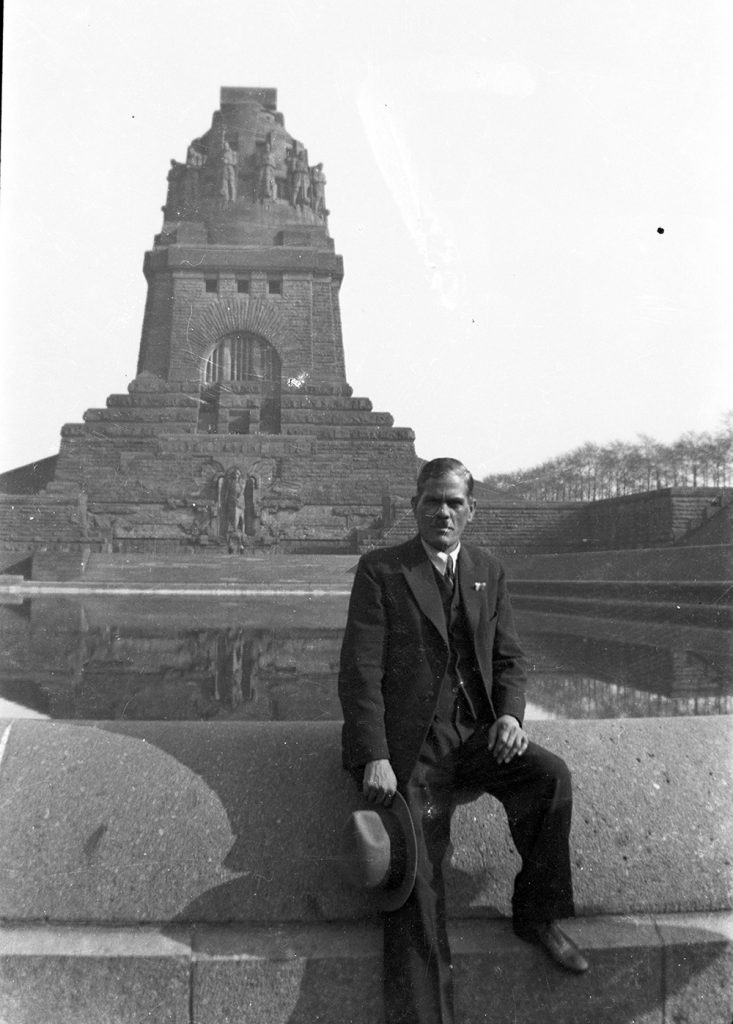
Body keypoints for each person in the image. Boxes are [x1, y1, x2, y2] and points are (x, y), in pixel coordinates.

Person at [338, 457, 588, 1024]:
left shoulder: (486, 569)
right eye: (432, 501)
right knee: (418, 884)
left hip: (476, 735)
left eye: (454, 503)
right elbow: (359, 671)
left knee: (550, 778)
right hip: (410, 747)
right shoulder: (381, 569)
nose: (443, 512)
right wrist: (375, 754)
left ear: (471, 511)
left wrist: (511, 718)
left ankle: (535, 915)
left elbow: (509, 659)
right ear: (415, 507)